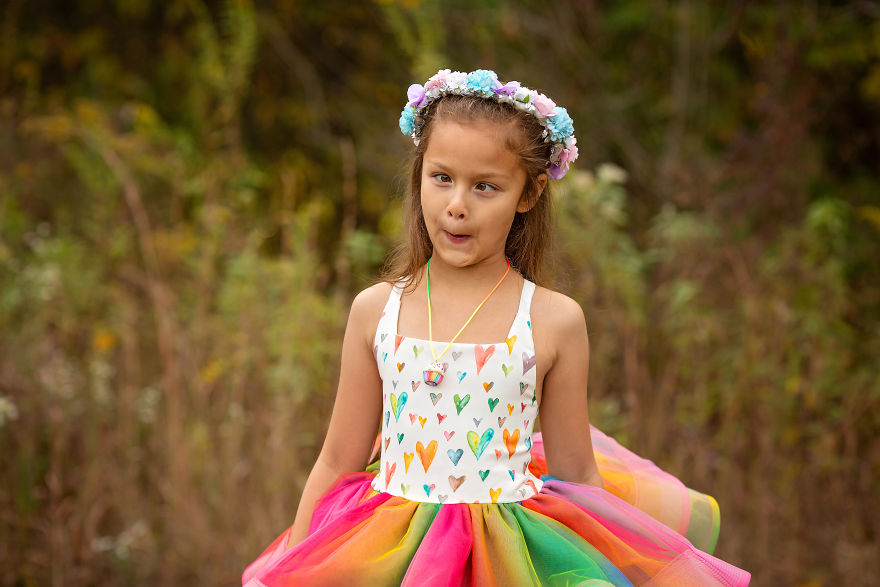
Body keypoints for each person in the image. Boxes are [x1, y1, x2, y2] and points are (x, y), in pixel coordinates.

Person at [242, 69, 750, 586]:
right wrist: (293, 567)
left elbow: (578, 474)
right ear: (419, 176)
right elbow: (335, 461)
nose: (457, 204)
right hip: (391, 551)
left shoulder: (554, 321)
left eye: (485, 186)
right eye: (442, 178)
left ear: (527, 195)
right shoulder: (376, 310)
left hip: (510, 557)